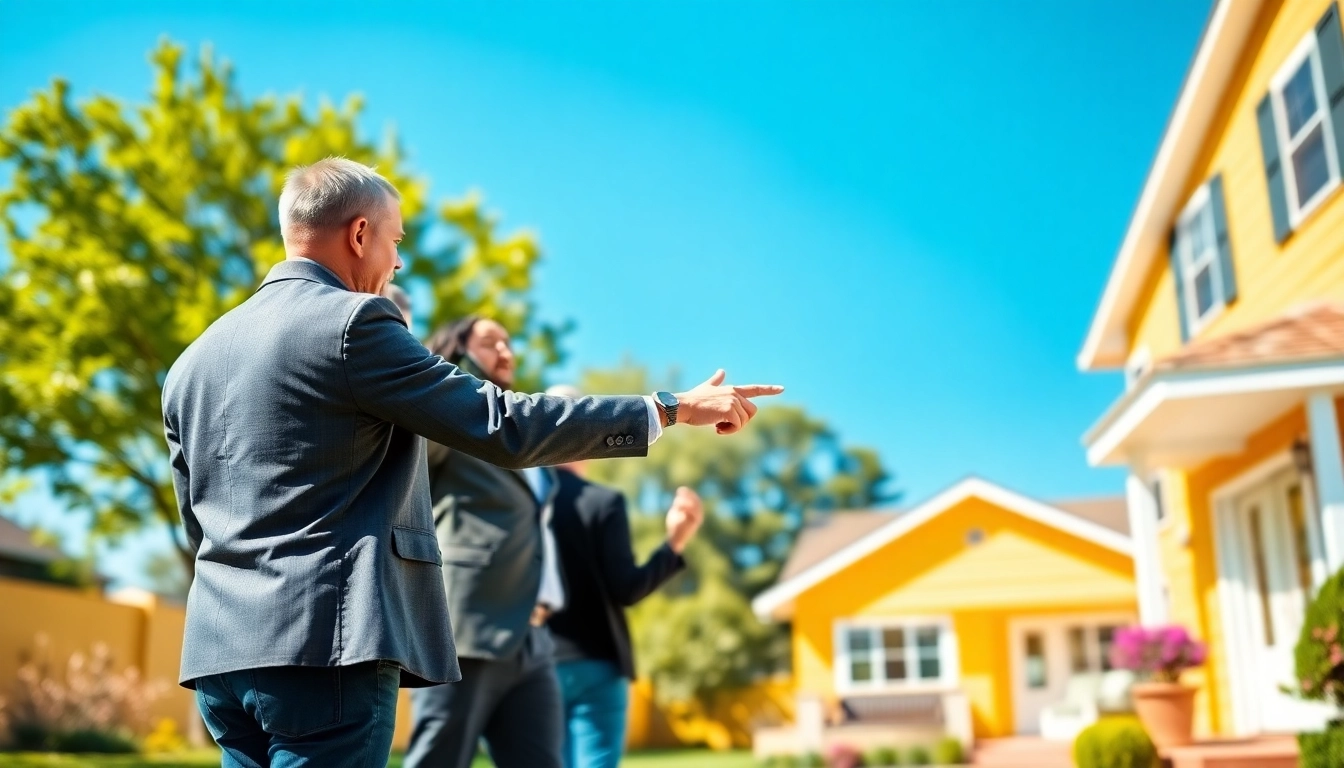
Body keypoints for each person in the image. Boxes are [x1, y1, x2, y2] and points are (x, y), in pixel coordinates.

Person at [160, 157, 782, 768]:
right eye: (395, 241)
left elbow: (199, 517)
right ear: (359, 234)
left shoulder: (191, 363)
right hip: (325, 648)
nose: (397, 262)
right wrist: (666, 408)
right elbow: (505, 425)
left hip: (222, 649)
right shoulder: (355, 323)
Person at [403, 317, 577, 768]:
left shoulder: (517, 424)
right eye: (489, 342)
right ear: (459, 349)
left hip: (532, 634)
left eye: (508, 342)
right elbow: (404, 472)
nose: (506, 351)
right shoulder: (449, 413)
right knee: (438, 759)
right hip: (467, 626)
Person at [545, 383, 705, 768]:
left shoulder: (518, 502)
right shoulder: (603, 502)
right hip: (599, 664)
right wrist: (674, 543)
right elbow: (627, 589)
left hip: (533, 662)